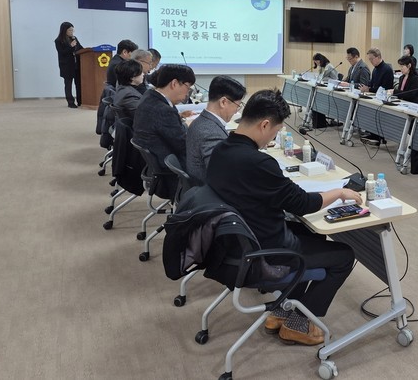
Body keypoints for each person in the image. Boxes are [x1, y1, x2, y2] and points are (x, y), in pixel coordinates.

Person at [206, 88, 361, 346]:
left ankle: (280, 310)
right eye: (276, 131)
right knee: (344, 256)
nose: (273, 137)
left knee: (310, 235)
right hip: (265, 252)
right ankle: (300, 323)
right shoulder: (258, 163)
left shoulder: (221, 150)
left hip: (236, 244)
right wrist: (338, 192)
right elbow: (302, 204)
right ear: (265, 124)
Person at [133, 64, 196, 173]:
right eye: (188, 87)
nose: (187, 93)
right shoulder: (163, 110)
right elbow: (183, 145)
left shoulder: (149, 96)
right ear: (174, 83)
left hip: (158, 159)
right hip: (170, 167)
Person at [185, 75, 246, 184]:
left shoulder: (202, 121)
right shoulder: (210, 133)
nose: (236, 111)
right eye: (237, 105)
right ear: (223, 102)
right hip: (209, 189)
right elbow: (221, 175)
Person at [53, 22, 83, 108]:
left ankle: (80, 101)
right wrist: (71, 46)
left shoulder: (74, 38)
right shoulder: (58, 41)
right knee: (68, 84)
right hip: (67, 66)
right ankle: (70, 102)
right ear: (64, 30)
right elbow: (62, 52)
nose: (72, 32)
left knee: (79, 83)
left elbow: (80, 48)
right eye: (70, 30)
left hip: (77, 65)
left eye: (72, 30)